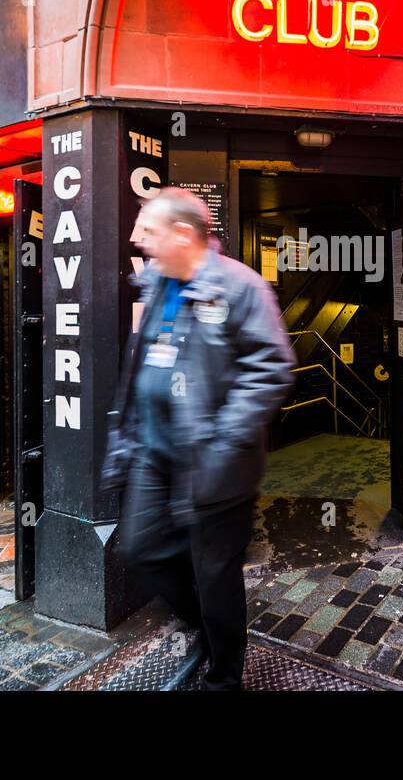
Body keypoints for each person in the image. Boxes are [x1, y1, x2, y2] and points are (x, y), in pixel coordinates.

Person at [101, 188, 295, 690]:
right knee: (139, 550)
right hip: (154, 453)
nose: (137, 240)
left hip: (215, 463)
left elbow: (271, 367)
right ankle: (204, 630)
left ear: (184, 235)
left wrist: (223, 440)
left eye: (148, 231)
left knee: (216, 576)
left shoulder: (240, 286)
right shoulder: (155, 285)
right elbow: (141, 362)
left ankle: (224, 673)